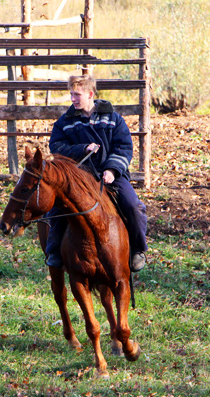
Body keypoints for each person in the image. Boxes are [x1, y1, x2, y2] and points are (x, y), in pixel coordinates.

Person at [45, 74, 148, 272]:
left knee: (134, 206)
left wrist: (111, 170)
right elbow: (56, 148)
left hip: (110, 177)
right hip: (79, 180)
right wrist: (82, 149)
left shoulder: (113, 119)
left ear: (90, 94)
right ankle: (54, 251)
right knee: (56, 209)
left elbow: (124, 147)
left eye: (77, 94)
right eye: (71, 94)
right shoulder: (64, 123)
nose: (73, 99)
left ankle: (138, 249)